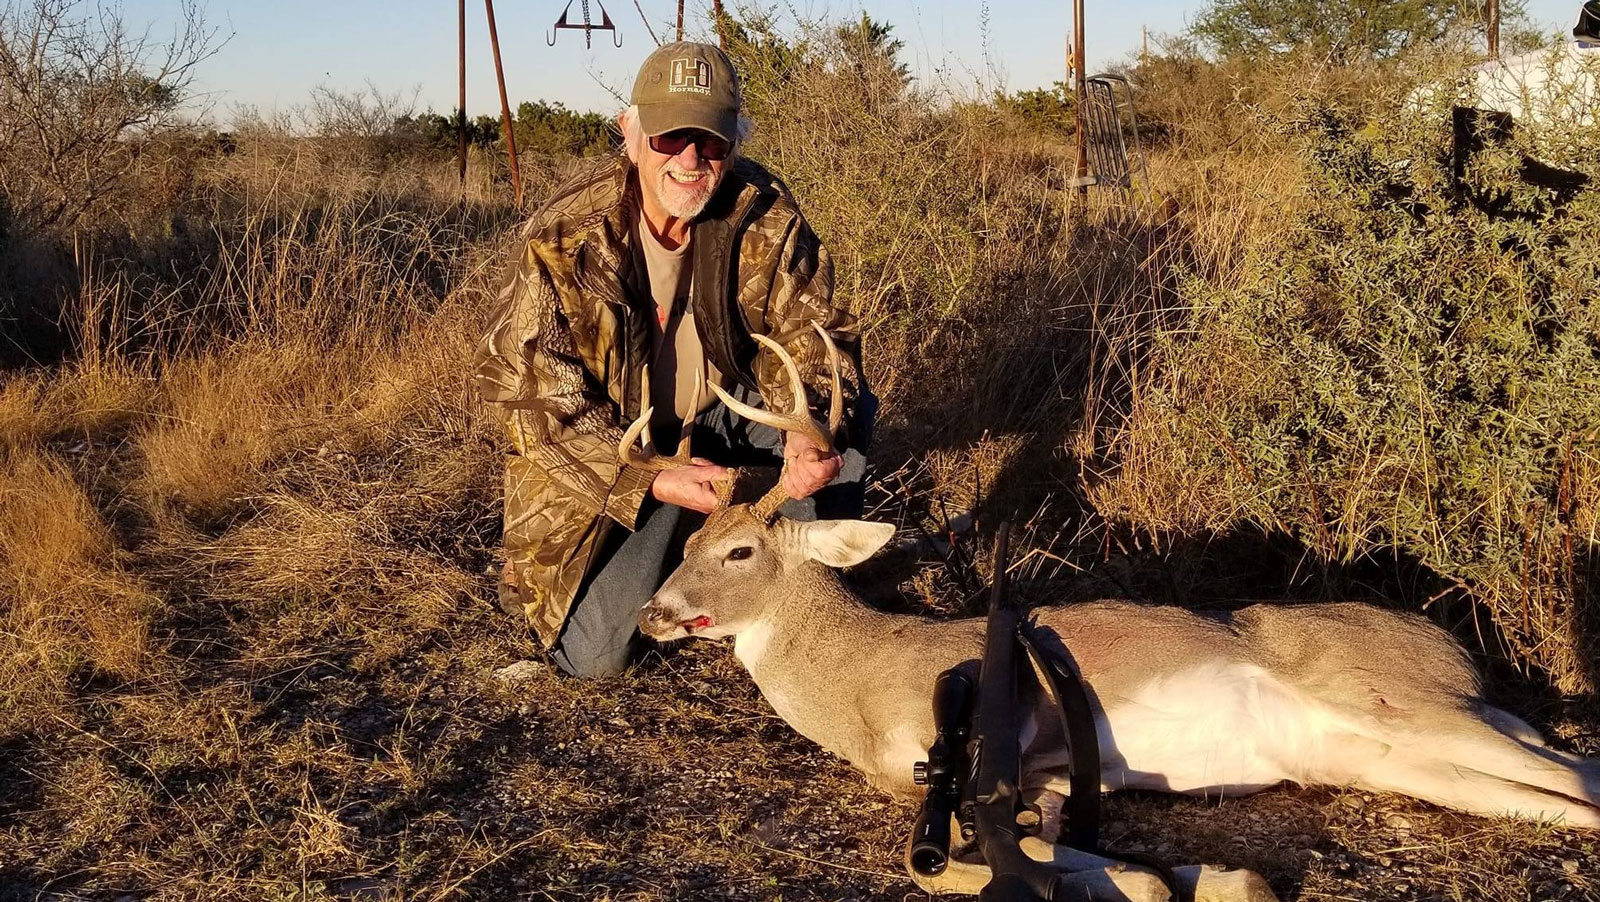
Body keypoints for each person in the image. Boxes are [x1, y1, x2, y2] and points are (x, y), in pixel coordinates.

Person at [472, 41, 871, 678]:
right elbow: (529, 404)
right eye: (668, 138)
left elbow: (819, 340)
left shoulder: (764, 215)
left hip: (724, 421)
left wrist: (807, 436)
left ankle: (791, 595)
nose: (690, 159)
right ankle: (690, 541)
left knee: (835, 437)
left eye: (709, 141)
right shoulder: (563, 239)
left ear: (734, 142)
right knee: (597, 657)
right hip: (612, 455)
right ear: (631, 134)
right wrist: (653, 478)